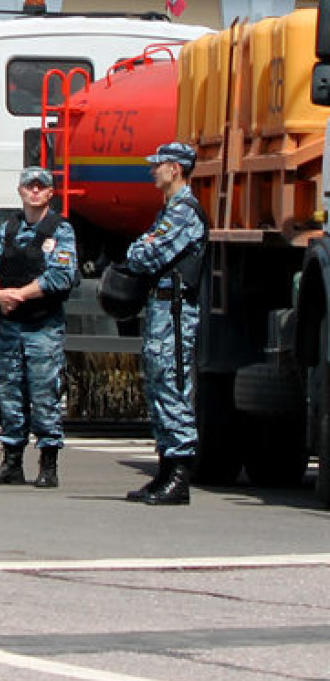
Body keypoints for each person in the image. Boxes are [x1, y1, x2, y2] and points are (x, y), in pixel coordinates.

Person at [0, 167, 77, 488]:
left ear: (50, 193)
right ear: (20, 191)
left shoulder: (60, 230)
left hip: (41, 326)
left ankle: (48, 464)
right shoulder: (9, 229)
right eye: (29, 186)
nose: (34, 191)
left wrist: (21, 294)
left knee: (44, 395)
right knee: (9, 393)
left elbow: (62, 275)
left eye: (40, 187)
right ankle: (11, 462)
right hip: (10, 325)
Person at [123, 142, 208, 506]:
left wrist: (139, 248)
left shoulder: (183, 212)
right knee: (158, 389)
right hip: (161, 310)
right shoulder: (169, 211)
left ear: (175, 169)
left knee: (173, 387)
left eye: (158, 165)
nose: (152, 170)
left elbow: (142, 254)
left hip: (175, 312)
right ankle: (163, 471)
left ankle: (179, 476)